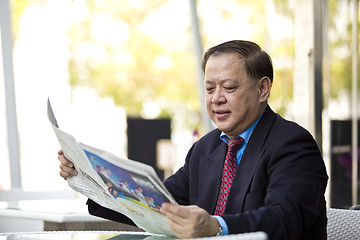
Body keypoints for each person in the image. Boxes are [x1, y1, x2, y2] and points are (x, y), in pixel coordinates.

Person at [58, 40, 328, 239]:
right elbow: (155, 205)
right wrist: (88, 178)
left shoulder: (293, 144)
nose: (216, 98)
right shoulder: (205, 148)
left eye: (229, 87)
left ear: (262, 88)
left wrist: (216, 226)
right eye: (209, 88)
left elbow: (286, 219)